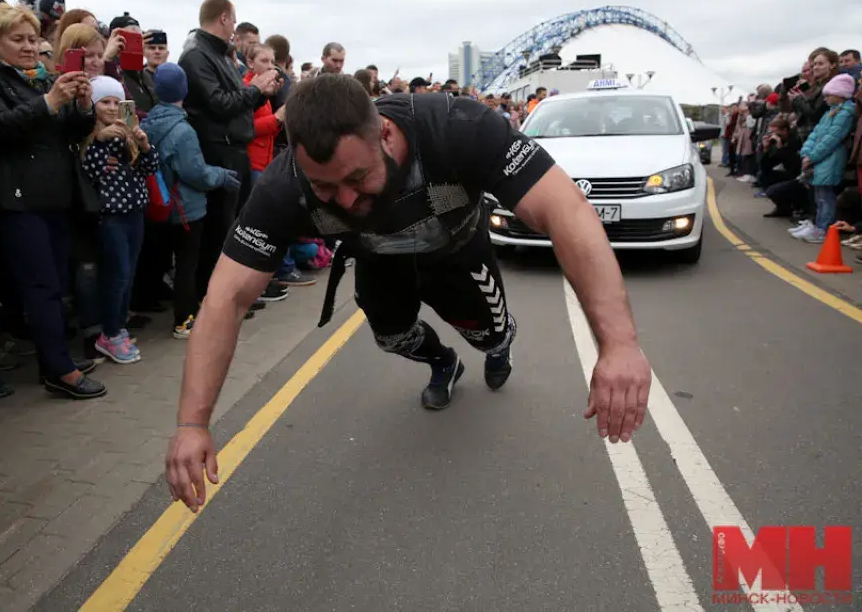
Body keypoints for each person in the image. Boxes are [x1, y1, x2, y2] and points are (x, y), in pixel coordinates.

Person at [165, 74, 652, 513]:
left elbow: (566, 211)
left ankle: (496, 344)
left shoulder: (458, 127)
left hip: (459, 255)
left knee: (488, 335)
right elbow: (225, 299)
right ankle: (444, 362)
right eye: (325, 189)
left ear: (384, 132)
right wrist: (192, 424)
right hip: (381, 261)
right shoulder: (281, 187)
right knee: (391, 337)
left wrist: (619, 344)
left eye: (357, 178)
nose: (349, 200)